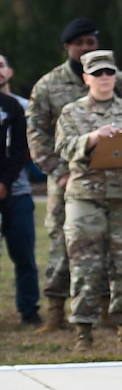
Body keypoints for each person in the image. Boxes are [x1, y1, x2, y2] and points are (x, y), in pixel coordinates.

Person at [27, 18, 122, 328]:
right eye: (81, 43)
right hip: (68, 179)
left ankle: (105, 310)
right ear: (68, 47)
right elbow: (37, 133)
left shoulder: (121, 80)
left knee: (112, 247)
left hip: (116, 179)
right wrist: (59, 172)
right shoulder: (49, 85)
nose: (87, 47)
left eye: (92, 42)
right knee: (65, 244)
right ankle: (55, 311)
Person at [52, 48, 122, 348]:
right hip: (86, 196)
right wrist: (93, 137)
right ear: (86, 78)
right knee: (85, 265)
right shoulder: (72, 112)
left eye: (110, 72)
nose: (105, 78)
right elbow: (64, 148)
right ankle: (84, 331)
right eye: (98, 73)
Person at [0, 56, 35, 326]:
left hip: (18, 192)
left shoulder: (20, 107)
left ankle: (29, 310)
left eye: (1, 65)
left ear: (10, 71)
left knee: (24, 255)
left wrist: (6, 183)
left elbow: (24, 151)